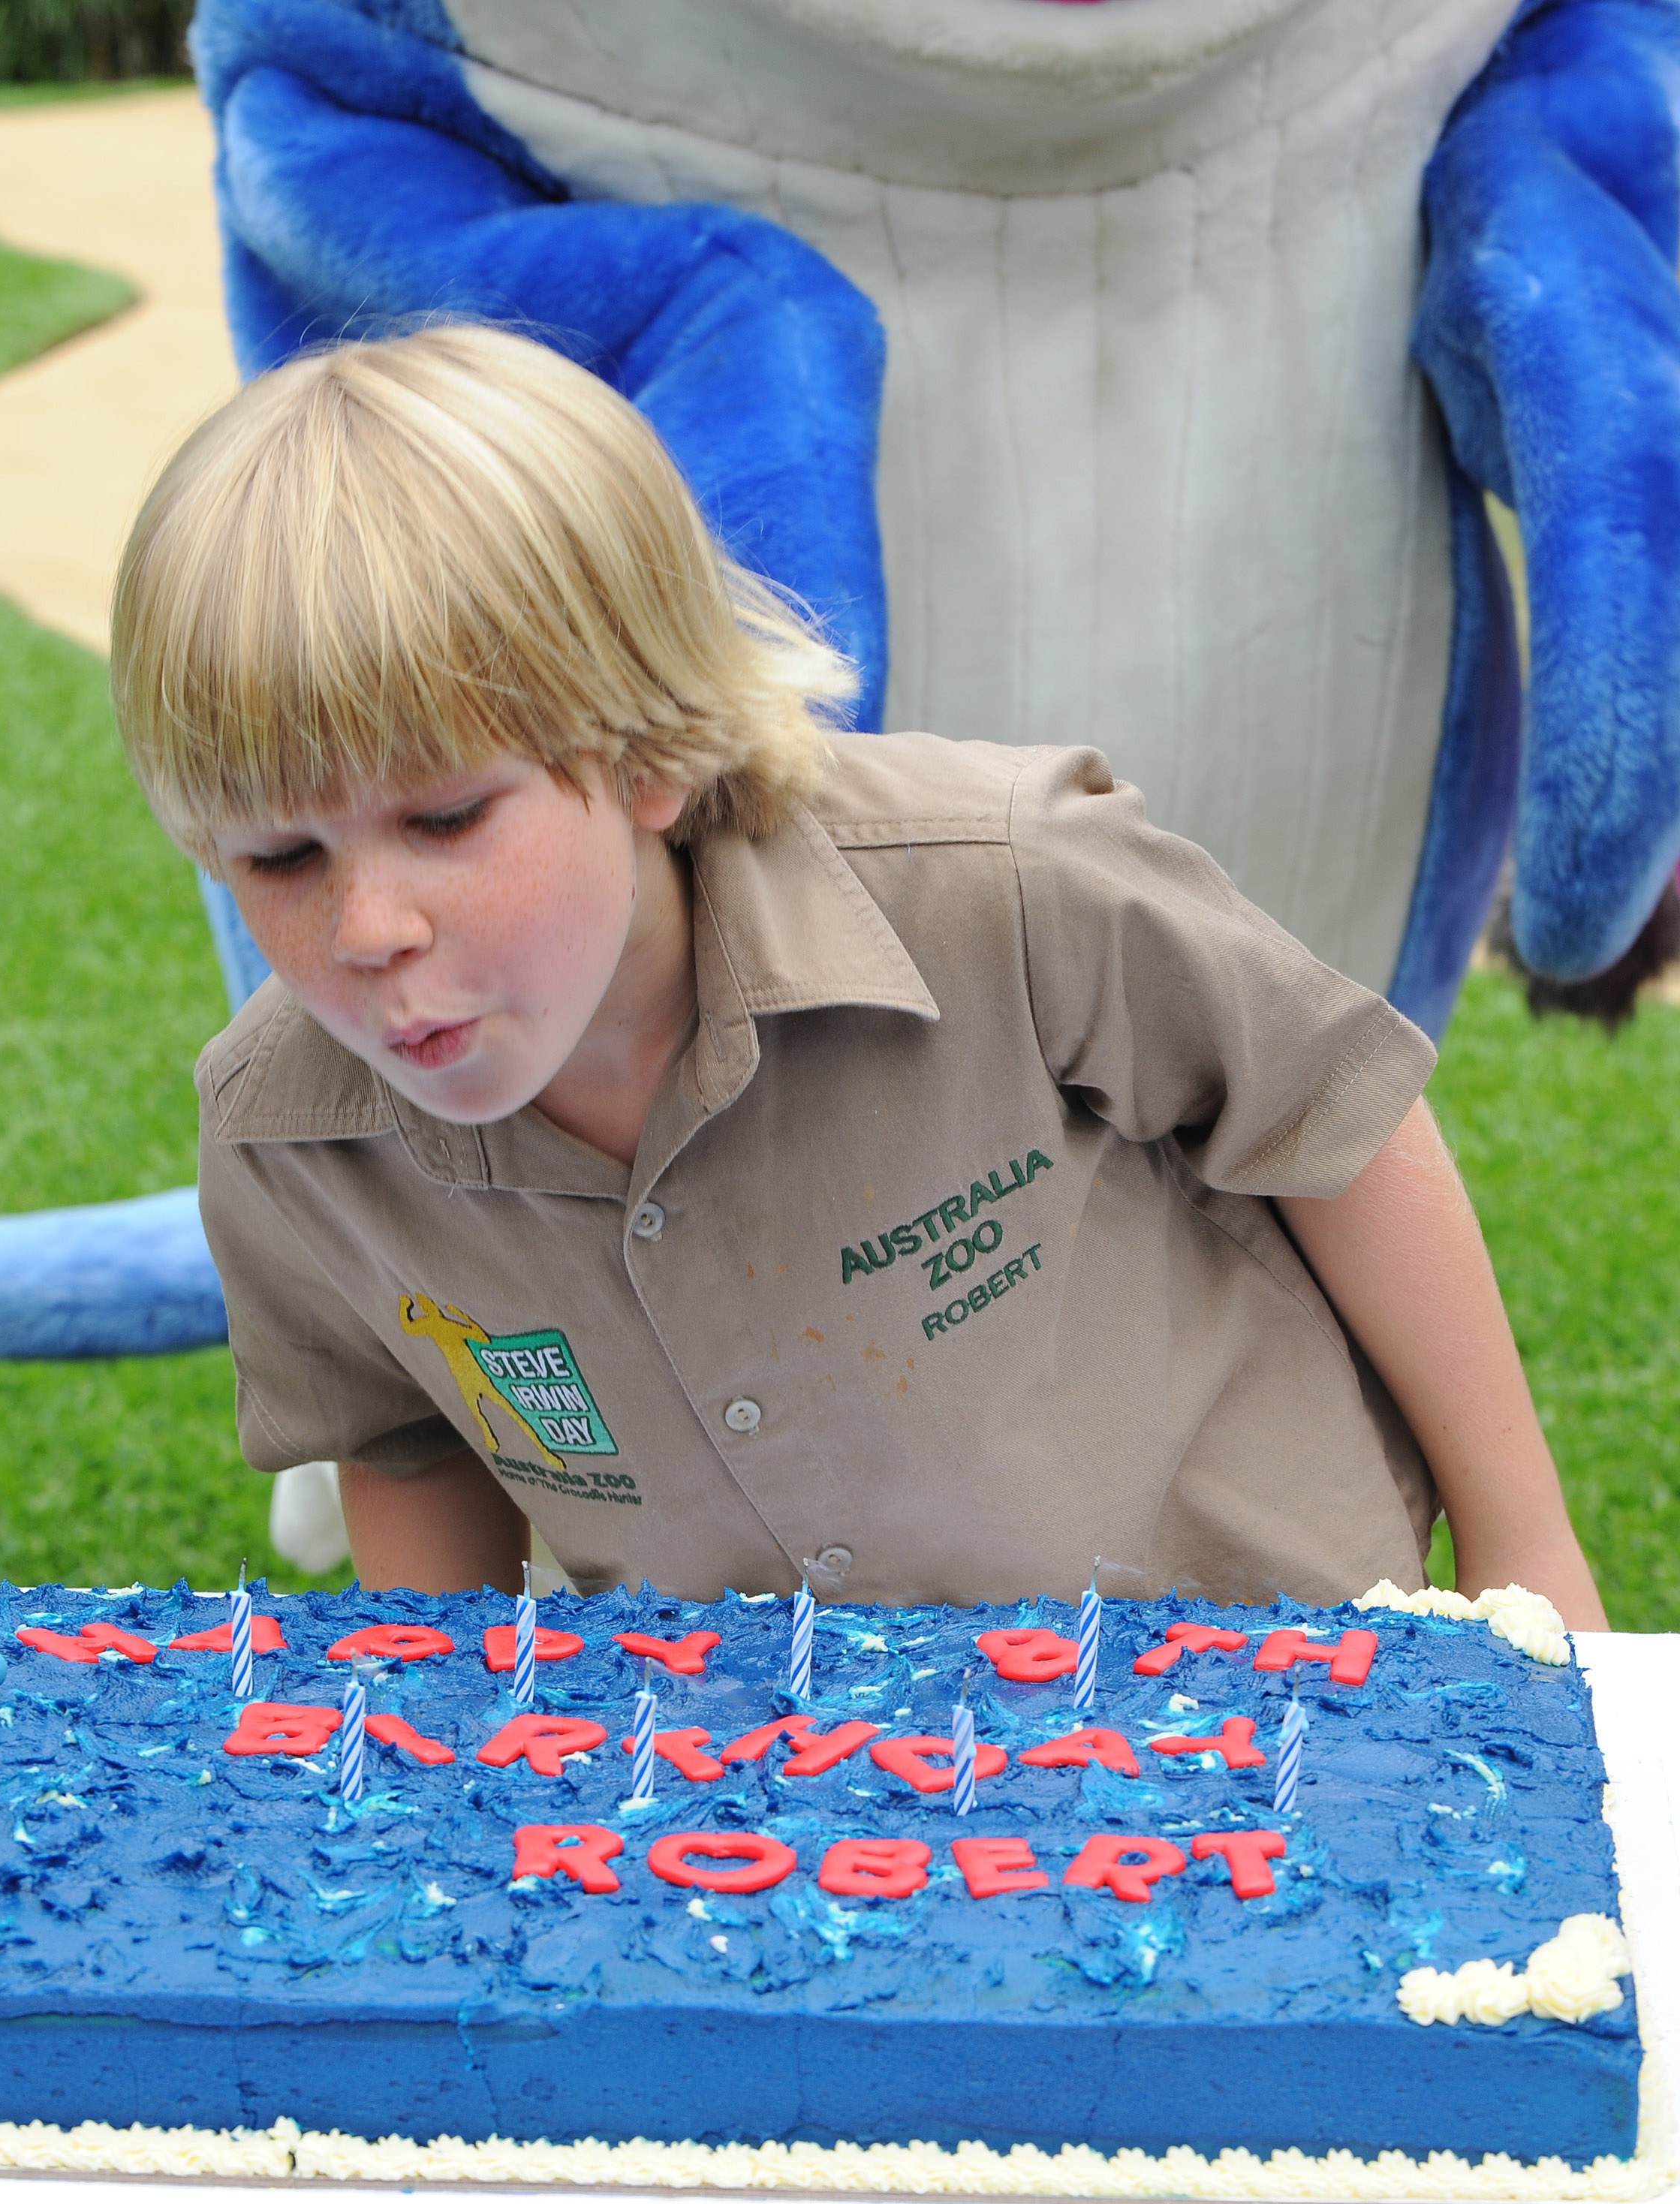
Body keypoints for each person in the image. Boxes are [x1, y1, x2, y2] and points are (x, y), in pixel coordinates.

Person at [110, 324, 1606, 1627]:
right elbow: (406, 1439)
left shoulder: (1007, 882)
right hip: (779, 1803)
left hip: (1261, 1674)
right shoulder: (287, 1133)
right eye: (280, 858)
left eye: (444, 818)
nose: (367, 929)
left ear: (646, 751)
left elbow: (1338, 1122)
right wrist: (446, 1763)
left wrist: (1527, 1542)